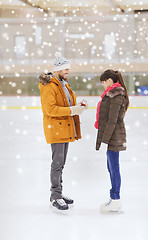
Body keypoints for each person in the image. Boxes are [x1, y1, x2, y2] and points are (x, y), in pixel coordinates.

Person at [39, 52, 87, 212]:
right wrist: (73, 110)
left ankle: (58, 192)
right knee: (57, 164)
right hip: (56, 129)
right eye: (65, 69)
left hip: (64, 128)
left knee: (61, 163)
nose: (68, 72)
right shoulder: (50, 86)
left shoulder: (63, 84)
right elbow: (50, 109)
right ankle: (55, 196)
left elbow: (67, 104)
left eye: (68, 69)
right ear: (57, 69)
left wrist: (78, 106)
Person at [95, 69, 129, 213]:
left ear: (109, 80)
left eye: (103, 82)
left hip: (113, 137)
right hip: (111, 136)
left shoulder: (116, 95)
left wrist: (104, 140)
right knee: (111, 168)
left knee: (114, 168)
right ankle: (114, 198)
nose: (102, 85)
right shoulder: (111, 94)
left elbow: (112, 120)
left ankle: (116, 199)